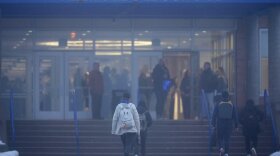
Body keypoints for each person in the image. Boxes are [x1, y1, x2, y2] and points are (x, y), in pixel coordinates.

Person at [211, 91, 238, 156]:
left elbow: (214, 115)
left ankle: (221, 148)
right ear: (228, 96)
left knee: (220, 138)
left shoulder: (218, 104)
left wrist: (213, 124)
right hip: (229, 124)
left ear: (222, 96)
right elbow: (235, 115)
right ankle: (226, 153)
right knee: (227, 138)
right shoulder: (232, 104)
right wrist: (236, 125)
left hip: (220, 123)